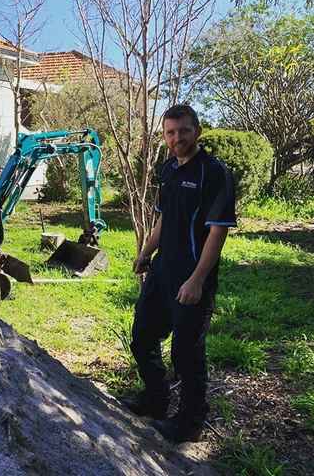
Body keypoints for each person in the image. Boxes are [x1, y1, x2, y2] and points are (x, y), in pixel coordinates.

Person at [123, 104, 236, 443]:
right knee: (143, 336)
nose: (177, 138)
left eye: (184, 130)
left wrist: (197, 280)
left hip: (192, 276)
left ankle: (190, 423)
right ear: (164, 136)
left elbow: (217, 232)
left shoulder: (214, 173)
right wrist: (145, 253)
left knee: (186, 353)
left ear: (197, 131)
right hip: (162, 272)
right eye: (170, 132)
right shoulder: (167, 169)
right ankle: (156, 401)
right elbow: (162, 219)